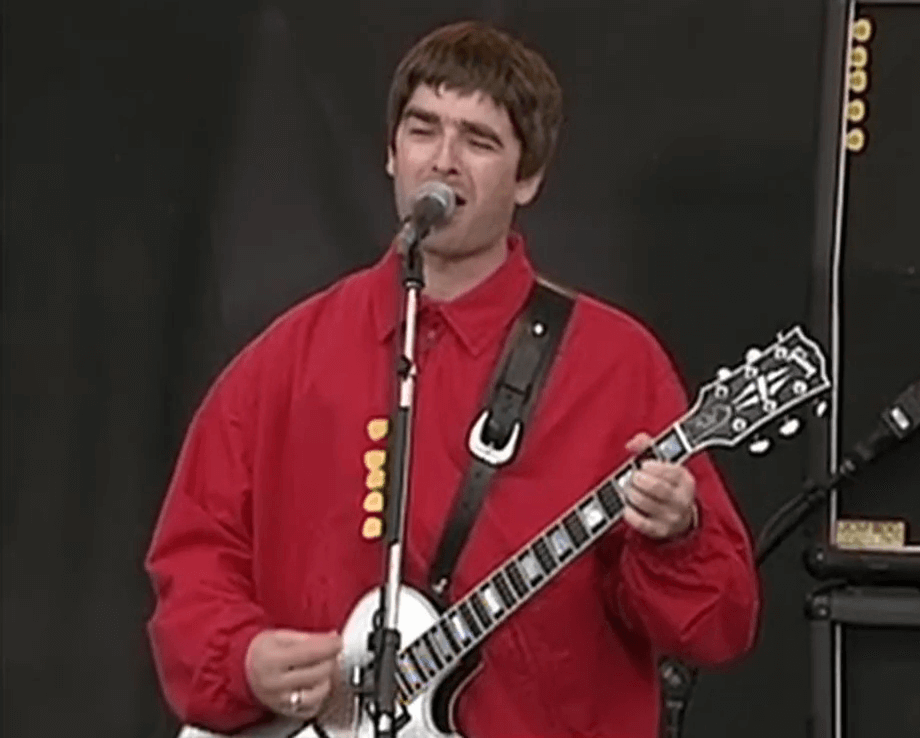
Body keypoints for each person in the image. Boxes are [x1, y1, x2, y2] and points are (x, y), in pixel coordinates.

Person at [146, 20, 760, 738]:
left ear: (528, 178)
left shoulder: (614, 365)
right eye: (422, 130)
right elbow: (195, 559)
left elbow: (720, 628)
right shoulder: (286, 357)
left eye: (479, 140)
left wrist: (676, 535)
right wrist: (242, 658)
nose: (443, 161)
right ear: (389, 152)